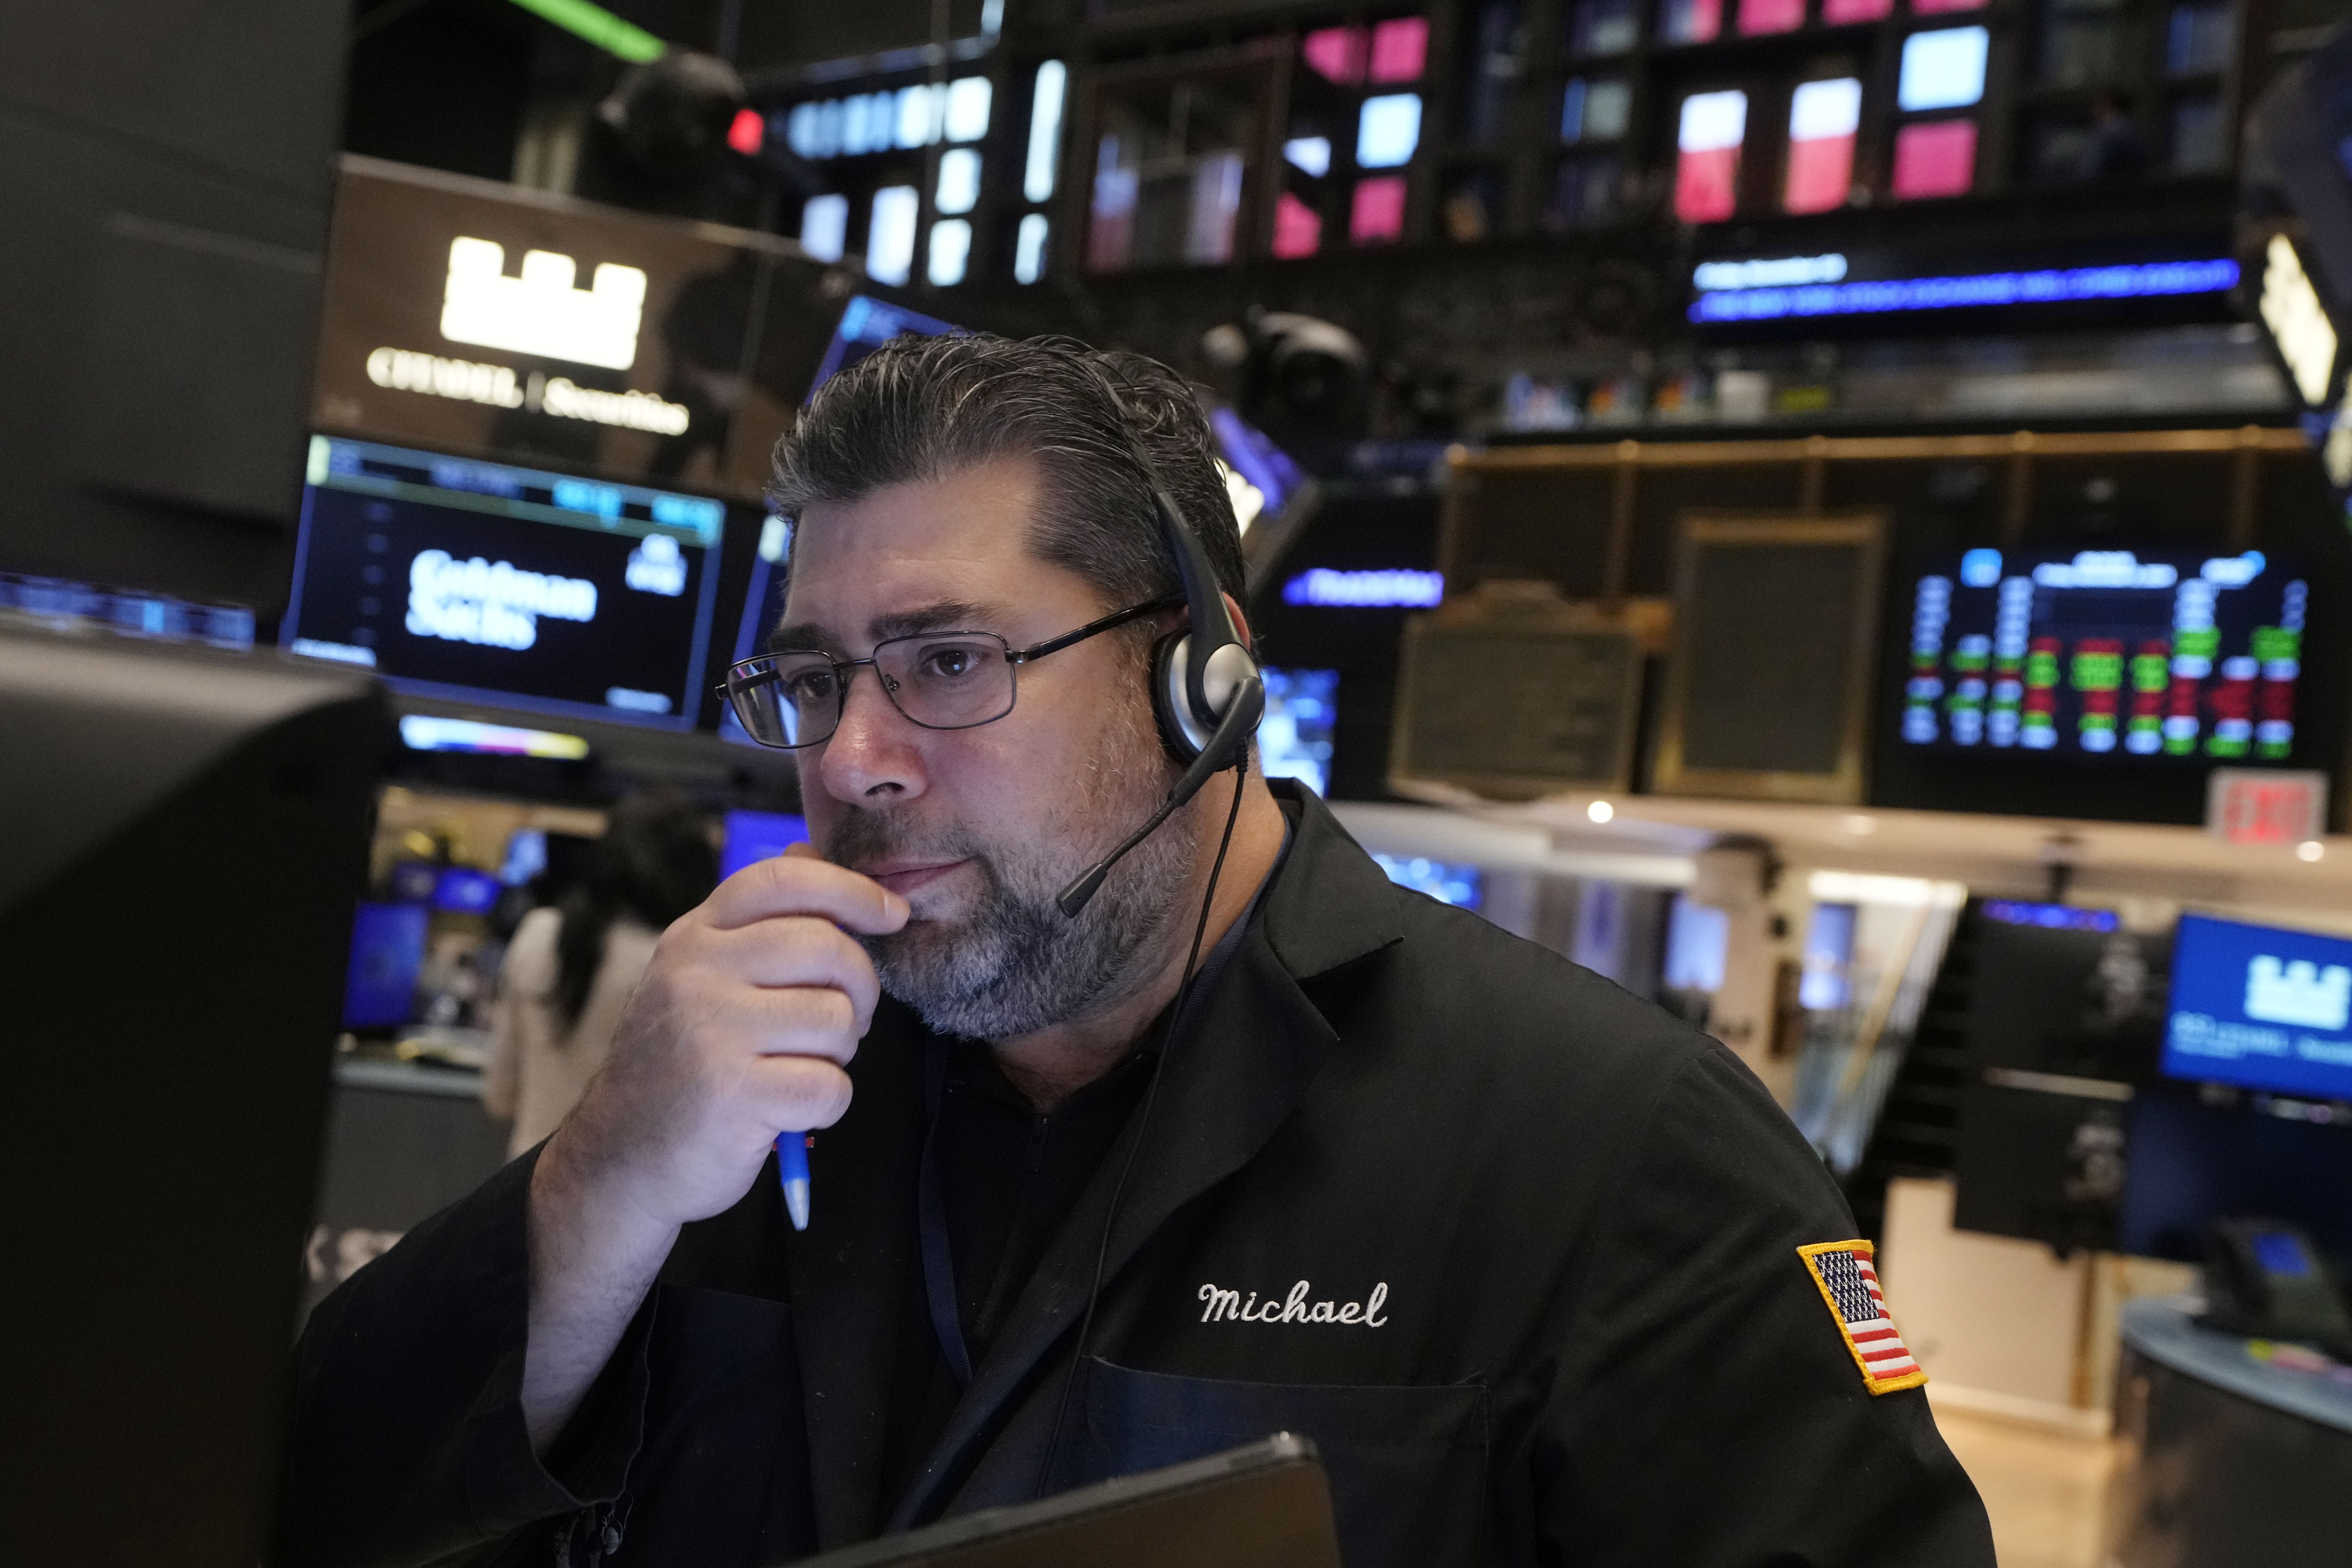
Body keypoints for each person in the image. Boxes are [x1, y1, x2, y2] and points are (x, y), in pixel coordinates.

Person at [284, 335, 1995, 1568]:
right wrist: (598, 1177)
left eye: (948, 661)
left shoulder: (1613, 1146)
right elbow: (314, 1490)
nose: (854, 755)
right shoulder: (743, 1093)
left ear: (1203, 679)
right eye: (816, 681)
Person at [481, 791, 719, 1157]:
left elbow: (501, 1096)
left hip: (527, 1183)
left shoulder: (538, 934)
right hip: (628, 1198)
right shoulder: (682, 963)